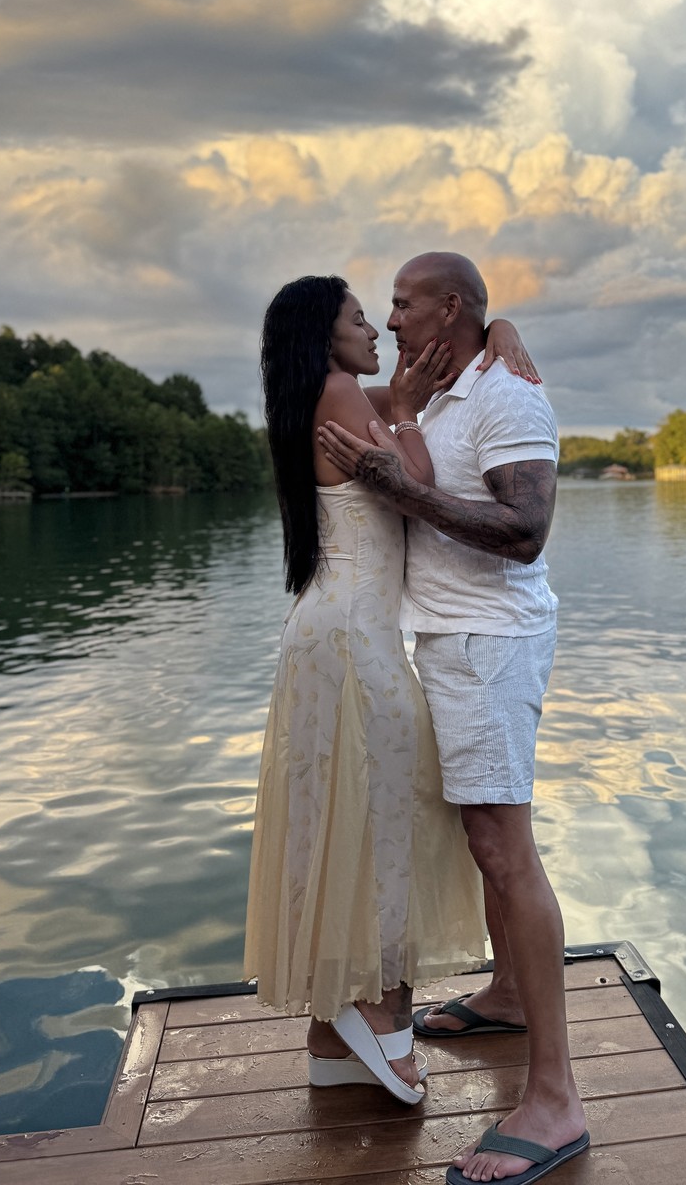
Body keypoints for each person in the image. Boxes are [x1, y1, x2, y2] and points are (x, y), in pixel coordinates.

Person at [318, 252, 589, 1184]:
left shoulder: (509, 398)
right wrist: (487, 334)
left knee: (505, 847)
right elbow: (345, 398)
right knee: (482, 840)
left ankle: (555, 1099)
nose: (392, 319)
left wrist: (402, 491)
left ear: (450, 307)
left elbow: (524, 534)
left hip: (489, 644)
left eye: (403, 303)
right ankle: (508, 993)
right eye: (384, 307)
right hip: (449, 640)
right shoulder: (438, 394)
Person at [244, 274, 533, 1104]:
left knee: (343, 823)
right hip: (350, 643)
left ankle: (330, 1037)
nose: (376, 329)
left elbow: (428, 382)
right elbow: (416, 477)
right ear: (324, 336)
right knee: (394, 819)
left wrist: (498, 327)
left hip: (331, 636)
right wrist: (404, 412)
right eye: (359, 318)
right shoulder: (339, 392)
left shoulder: (323, 392)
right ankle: (378, 1014)